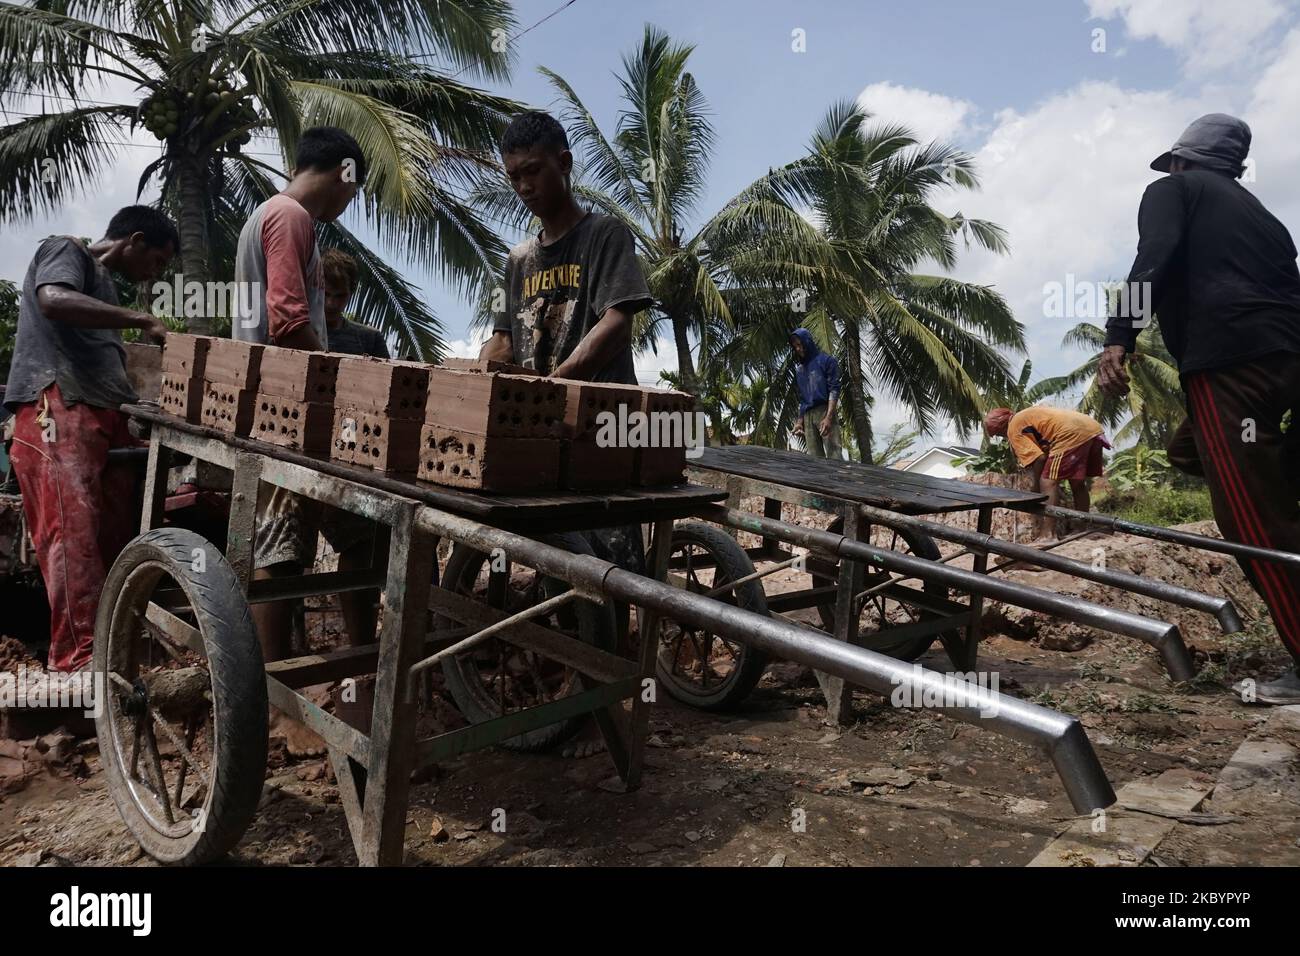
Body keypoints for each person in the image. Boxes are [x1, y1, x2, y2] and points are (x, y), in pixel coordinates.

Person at [1099, 112, 1300, 705]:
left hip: (1229, 362)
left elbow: (1154, 254)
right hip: (1286, 360)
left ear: (1182, 160)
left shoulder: (1172, 190)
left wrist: (1120, 335)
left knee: (1251, 522)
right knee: (1190, 450)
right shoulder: (1263, 218)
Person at [479, 110, 655, 756]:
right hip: (536, 425)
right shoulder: (518, 258)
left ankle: (613, 694)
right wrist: (489, 365)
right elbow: (502, 334)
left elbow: (617, 320)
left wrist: (564, 376)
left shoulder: (605, 236)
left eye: (534, 171)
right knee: (549, 550)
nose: (524, 186)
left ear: (564, 162)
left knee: (610, 560)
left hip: (599, 424)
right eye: (514, 177)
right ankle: (567, 680)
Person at [5, 206, 176, 672]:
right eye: (157, 261)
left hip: (100, 414)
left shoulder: (104, 287)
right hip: (56, 407)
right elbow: (53, 299)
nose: (154, 273)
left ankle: (116, 650)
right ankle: (80, 660)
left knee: (115, 535)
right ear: (134, 239)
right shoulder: (66, 248)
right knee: (72, 534)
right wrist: (140, 320)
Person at [233, 126, 367, 662]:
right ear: (345, 172)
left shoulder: (263, 218)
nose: (348, 201)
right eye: (353, 191)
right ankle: (273, 686)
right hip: (285, 410)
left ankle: (360, 662)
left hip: (273, 400)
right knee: (282, 546)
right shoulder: (290, 217)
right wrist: (349, 382)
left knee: (350, 535)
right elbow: (288, 324)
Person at [316, 248, 387, 648]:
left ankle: (368, 645)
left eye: (339, 296)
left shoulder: (367, 340)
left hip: (360, 457)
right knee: (291, 550)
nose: (329, 304)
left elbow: (388, 398)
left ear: (350, 296)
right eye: (322, 293)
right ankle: (358, 644)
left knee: (366, 543)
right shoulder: (293, 334)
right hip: (310, 456)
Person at [984, 405, 1109, 541]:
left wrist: (1036, 485)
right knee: (1077, 483)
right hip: (1091, 427)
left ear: (1002, 427)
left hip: (1070, 433)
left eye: (998, 434)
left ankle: (1048, 534)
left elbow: (1040, 458)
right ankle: (1080, 529)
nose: (1002, 437)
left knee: (1048, 481)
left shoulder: (1013, 427)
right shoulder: (1025, 417)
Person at [789, 328, 841, 459]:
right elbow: (803, 399)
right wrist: (799, 422)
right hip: (808, 416)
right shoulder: (800, 370)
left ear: (807, 342)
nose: (798, 349)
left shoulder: (826, 361)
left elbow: (834, 389)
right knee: (814, 459)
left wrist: (829, 417)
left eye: (799, 345)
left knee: (834, 456)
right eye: (795, 346)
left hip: (824, 410)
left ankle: (839, 480)